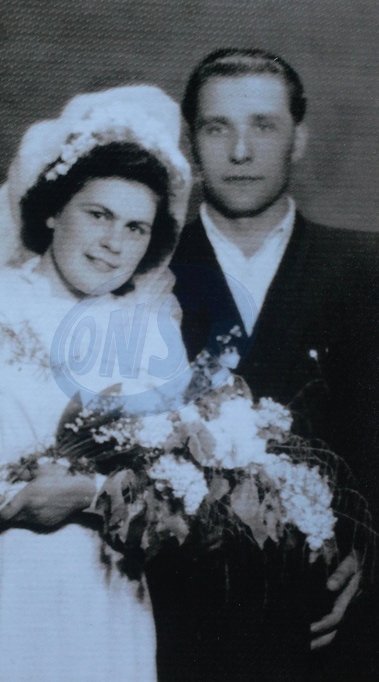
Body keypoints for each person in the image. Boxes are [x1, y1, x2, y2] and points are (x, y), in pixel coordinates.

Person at [0, 85, 191, 681]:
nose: (114, 244)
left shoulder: (151, 339)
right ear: (52, 209)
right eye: (98, 215)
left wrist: (91, 496)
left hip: (90, 605)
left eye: (136, 227)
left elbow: (183, 512)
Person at [149, 48, 378, 680]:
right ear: (191, 143)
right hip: (174, 631)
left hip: (335, 632)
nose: (241, 152)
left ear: (299, 139)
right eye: (217, 128)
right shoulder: (140, 271)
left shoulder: (366, 270)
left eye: (265, 126)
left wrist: (371, 553)